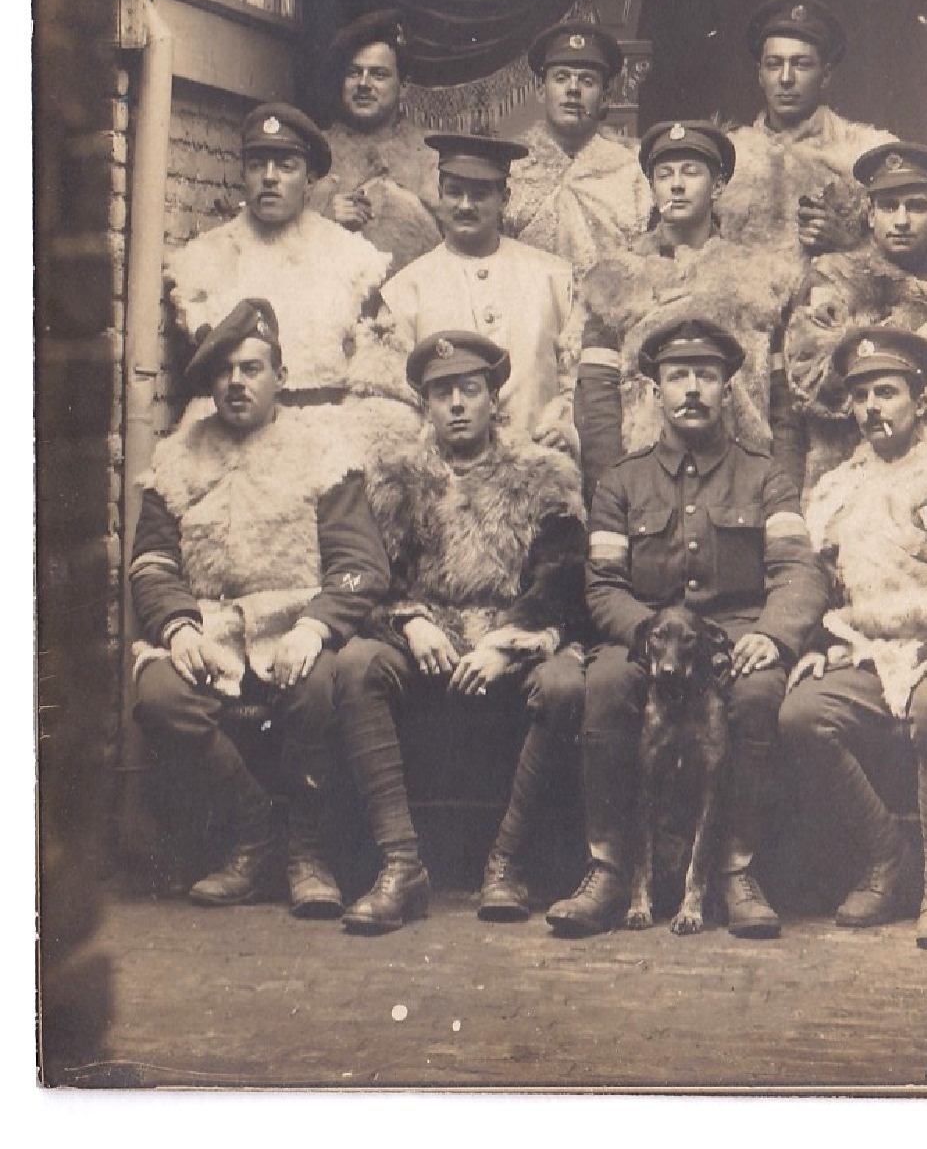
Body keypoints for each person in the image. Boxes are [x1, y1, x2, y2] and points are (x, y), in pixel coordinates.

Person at [546, 317, 827, 939]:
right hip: (648, 639)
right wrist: (650, 634)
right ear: (655, 392)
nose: (693, 389)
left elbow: (797, 573)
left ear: (729, 389)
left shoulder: (764, 475)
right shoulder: (623, 481)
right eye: (678, 376)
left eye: (707, 375)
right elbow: (603, 584)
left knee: (758, 694)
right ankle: (609, 868)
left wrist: (773, 636)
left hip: (733, 637)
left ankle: (737, 870)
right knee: (607, 685)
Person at [130, 299, 391, 917]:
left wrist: (317, 625)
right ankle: (256, 834)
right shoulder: (178, 457)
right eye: (224, 372)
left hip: (293, 624)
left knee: (318, 684)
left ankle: (306, 851)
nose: (237, 383)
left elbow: (361, 564)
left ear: (281, 376)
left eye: (252, 368)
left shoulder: (322, 453)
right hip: (211, 627)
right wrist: (177, 625)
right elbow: (152, 564)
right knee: (161, 694)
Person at [332, 331, 587, 932]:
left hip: (512, 642)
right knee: (356, 666)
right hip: (429, 646)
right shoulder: (394, 479)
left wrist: (506, 644)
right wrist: (411, 622)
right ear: (425, 404)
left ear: (493, 399)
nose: (456, 404)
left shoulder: (543, 476)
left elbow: (564, 580)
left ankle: (506, 862)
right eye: (442, 392)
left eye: (469, 390)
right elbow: (372, 576)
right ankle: (401, 865)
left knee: (565, 687)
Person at [779, 329, 927, 950]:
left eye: (888, 392)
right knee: (801, 714)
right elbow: (824, 583)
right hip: (868, 651)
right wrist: (820, 642)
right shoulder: (839, 486)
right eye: (862, 395)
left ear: (921, 398)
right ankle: (888, 858)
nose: (873, 408)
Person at [572, 120, 793, 501]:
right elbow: (598, 403)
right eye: (664, 174)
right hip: (646, 482)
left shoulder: (762, 278)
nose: (676, 185)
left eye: (690, 172)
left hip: (742, 482)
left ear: (718, 187)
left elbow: (784, 406)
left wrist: (782, 490)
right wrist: (611, 493)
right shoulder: (615, 281)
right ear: (652, 187)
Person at [782, 141, 927, 495]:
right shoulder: (833, 281)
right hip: (848, 484)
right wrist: (907, 346)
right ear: (869, 215)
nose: (901, 220)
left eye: (916, 207)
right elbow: (808, 381)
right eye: (888, 206)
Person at [166, 102, 390, 404]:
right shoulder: (204, 259)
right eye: (258, 164)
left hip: (322, 431)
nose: (270, 178)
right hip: (232, 436)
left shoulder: (351, 259)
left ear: (309, 177)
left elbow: (373, 374)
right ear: (243, 172)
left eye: (286, 166)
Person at [378, 132, 575, 442]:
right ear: (440, 194)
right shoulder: (405, 290)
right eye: (455, 192)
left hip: (540, 465)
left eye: (480, 194)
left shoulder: (554, 277)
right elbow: (393, 398)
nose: (465, 206)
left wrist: (565, 427)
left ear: (504, 199)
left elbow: (576, 379)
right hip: (448, 476)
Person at [716, 0, 895, 285]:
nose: (786, 78)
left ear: (825, 75)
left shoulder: (866, 153)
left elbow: (910, 258)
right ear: (760, 75)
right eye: (774, 64)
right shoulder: (727, 154)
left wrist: (850, 245)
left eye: (801, 64)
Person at [501, 23, 651, 274]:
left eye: (587, 81)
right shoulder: (511, 166)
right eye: (561, 78)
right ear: (541, 91)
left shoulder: (633, 172)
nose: (573, 89)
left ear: (604, 97)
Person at [307, 9, 442, 274]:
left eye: (379, 74)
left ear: (404, 87)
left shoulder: (432, 157)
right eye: (354, 73)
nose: (364, 84)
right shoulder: (311, 153)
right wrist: (322, 222)